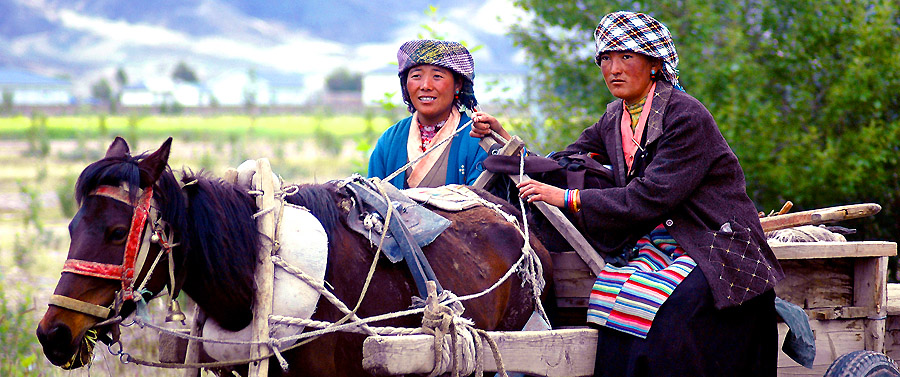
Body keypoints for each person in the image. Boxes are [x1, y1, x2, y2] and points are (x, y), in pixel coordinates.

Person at [471, 11, 784, 376]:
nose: (613, 69)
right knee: (607, 301)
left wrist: (566, 198)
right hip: (660, 241)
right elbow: (564, 162)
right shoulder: (615, 117)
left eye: (625, 57)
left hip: (715, 241)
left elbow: (649, 197)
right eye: (605, 59)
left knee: (669, 312)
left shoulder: (686, 116)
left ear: (654, 64)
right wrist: (507, 139)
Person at [368, 39, 491, 189]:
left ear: (457, 85)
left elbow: (483, 206)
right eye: (416, 76)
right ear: (405, 85)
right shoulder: (390, 141)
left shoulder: (476, 138)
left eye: (437, 76)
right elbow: (371, 202)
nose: (425, 86)